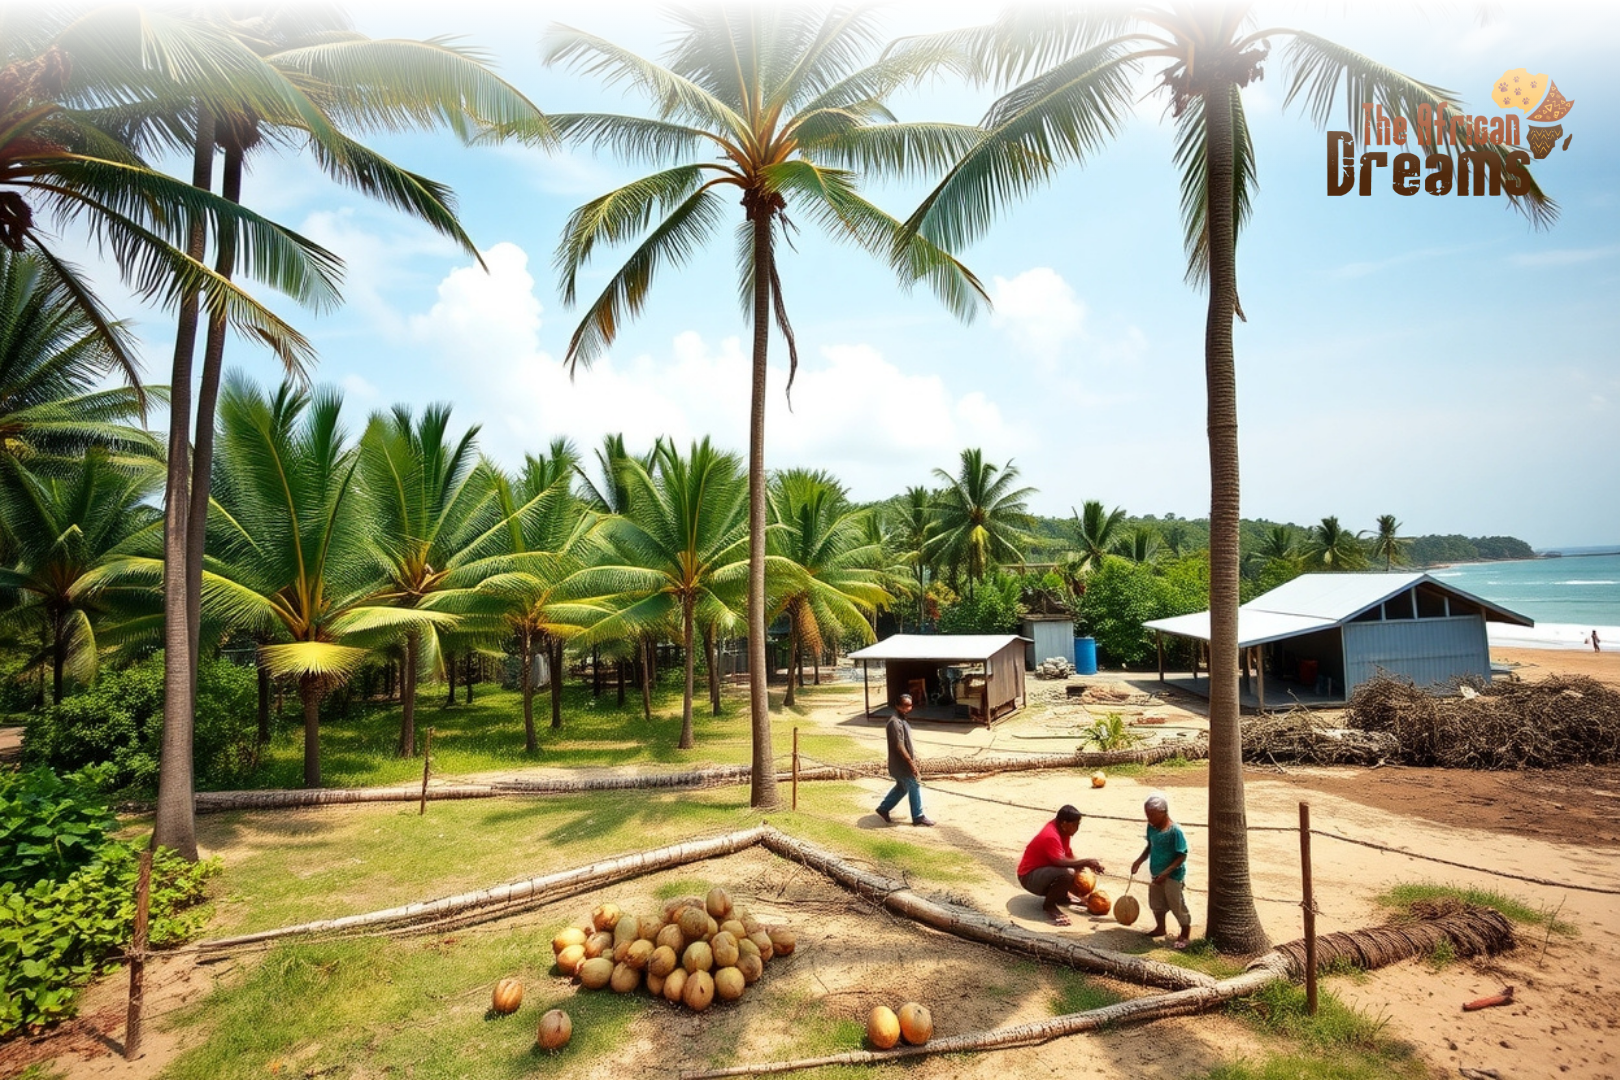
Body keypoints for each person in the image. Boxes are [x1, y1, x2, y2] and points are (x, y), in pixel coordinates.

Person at [1017, 805, 1104, 926]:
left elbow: (1068, 856)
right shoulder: (1050, 835)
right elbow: (1060, 862)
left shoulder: (1063, 831)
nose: (1077, 828)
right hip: (1029, 877)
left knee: (1073, 871)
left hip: (1042, 872)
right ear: (1064, 823)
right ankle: (1049, 905)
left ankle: (1061, 896)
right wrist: (1086, 861)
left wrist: (1086, 868)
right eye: (1075, 825)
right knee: (1068, 873)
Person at [1130, 793, 1192, 949]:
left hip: (1172, 876)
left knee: (1175, 903)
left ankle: (1185, 933)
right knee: (1156, 902)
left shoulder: (1174, 831)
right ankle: (1160, 927)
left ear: (1163, 813)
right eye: (1147, 815)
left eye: (1152, 815)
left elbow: (1181, 855)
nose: (1149, 819)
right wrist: (1139, 861)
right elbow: (1150, 846)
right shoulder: (1151, 828)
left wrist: (1166, 873)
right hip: (1156, 873)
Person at [876, 694, 935, 827]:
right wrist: (911, 763)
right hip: (901, 765)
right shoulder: (894, 723)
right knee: (914, 785)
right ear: (897, 706)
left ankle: (883, 808)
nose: (909, 708)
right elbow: (899, 746)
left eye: (910, 705)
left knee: (902, 788)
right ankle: (918, 816)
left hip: (903, 764)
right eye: (905, 706)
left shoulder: (902, 720)